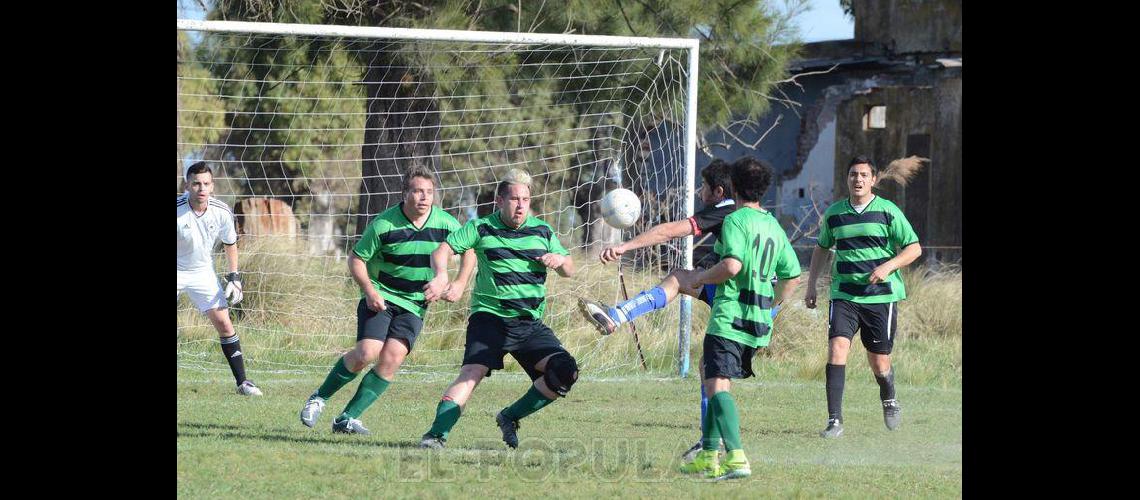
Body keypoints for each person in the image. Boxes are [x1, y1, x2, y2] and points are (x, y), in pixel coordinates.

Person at [577, 158, 758, 460]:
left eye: (704, 187)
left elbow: (670, 231)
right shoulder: (756, 216)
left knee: (711, 368)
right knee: (681, 286)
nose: (701, 193)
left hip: (745, 300)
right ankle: (709, 441)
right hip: (758, 298)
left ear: (720, 190)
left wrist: (624, 246)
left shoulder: (726, 211)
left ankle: (720, 445)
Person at [299, 166, 475, 434]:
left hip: (415, 303)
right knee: (367, 352)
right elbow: (356, 259)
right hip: (382, 295)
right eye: (417, 191)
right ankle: (319, 398)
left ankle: (348, 417)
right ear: (405, 193)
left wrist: (460, 284)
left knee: (392, 359)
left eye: (429, 192)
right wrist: (370, 291)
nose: (424, 197)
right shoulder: (384, 224)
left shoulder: (447, 224)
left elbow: (469, 251)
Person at [417, 169, 578, 450]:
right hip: (490, 319)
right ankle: (435, 435)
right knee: (472, 373)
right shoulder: (480, 227)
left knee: (565, 370)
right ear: (499, 201)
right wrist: (442, 275)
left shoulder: (543, 230)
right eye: (514, 199)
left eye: (525, 199)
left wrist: (560, 260)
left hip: (529, 324)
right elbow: (440, 251)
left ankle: (509, 416)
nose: (520, 205)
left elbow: (569, 269)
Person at [677, 156, 801, 480]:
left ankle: (736, 457)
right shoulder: (773, 224)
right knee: (709, 372)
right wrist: (771, 306)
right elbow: (793, 275)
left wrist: (702, 277)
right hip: (758, 321)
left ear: (733, 186)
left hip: (730, 316)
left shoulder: (735, 221)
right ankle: (708, 454)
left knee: (718, 387)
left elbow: (732, 266)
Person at [804, 155, 922, 439]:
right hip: (844, 294)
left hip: (880, 297)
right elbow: (822, 248)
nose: (858, 179)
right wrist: (811, 286)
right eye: (853, 174)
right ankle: (834, 421)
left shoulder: (888, 211)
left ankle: (889, 395)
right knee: (836, 349)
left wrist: (887, 266)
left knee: (879, 362)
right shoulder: (834, 214)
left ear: (873, 180)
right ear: (847, 179)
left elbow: (914, 248)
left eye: (863, 175)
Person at [177, 161, 262, 396]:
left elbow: (230, 243)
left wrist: (234, 277)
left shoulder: (221, 211)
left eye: (205, 184)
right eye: (196, 183)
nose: (201, 189)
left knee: (225, 324)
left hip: (202, 272)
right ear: (187, 185)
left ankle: (243, 382)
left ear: (212, 186)